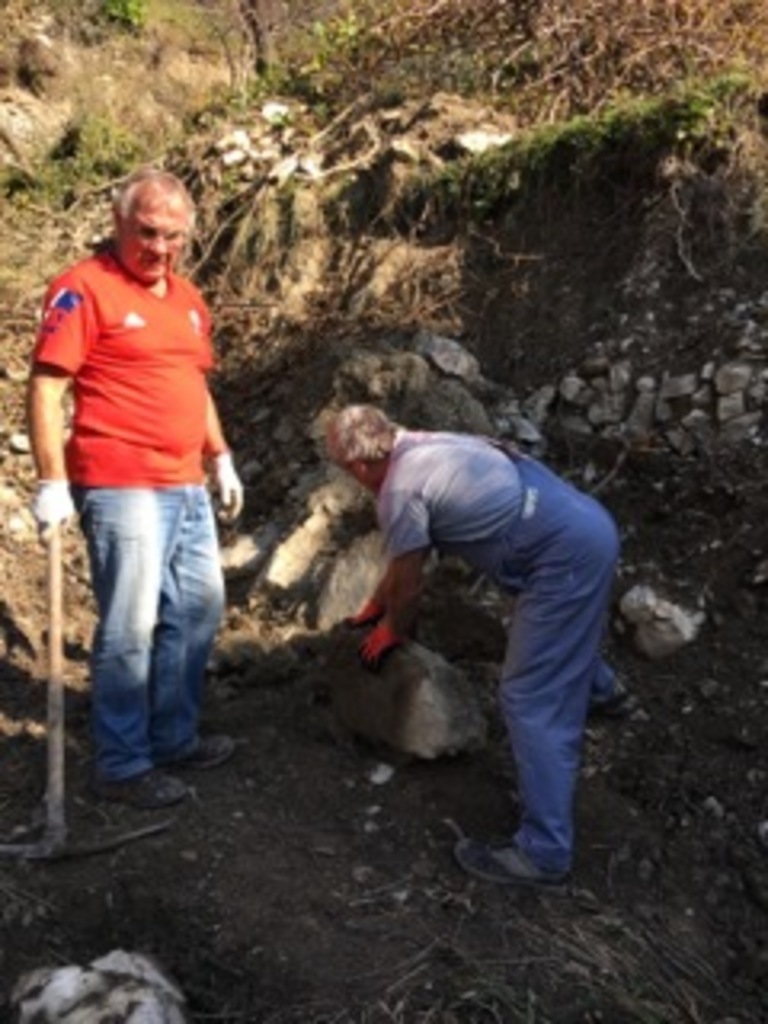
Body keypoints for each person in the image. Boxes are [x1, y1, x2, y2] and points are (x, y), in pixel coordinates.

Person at [326, 404, 631, 888]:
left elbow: (410, 586)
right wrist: (374, 605)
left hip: (562, 559)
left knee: (528, 697)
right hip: (581, 522)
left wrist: (392, 631)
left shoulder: (399, 491)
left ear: (359, 465)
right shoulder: (419, 444)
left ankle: (544, 852)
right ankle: (604, 692)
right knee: (558, 636)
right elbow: (404, 562)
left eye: (345, 469)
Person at [27, 166, 243, 810]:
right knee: (131, 627)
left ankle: (173, 737)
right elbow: (47, 387)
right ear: (119, 222)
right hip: (121, 483)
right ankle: (121, 764)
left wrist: (220, 456)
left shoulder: (189, 300)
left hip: (186, 484)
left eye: (174, 236)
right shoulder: (82, 288)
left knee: (198, 612)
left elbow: (193, 384)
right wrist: (51, 480)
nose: (160, 248)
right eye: (148, 232)